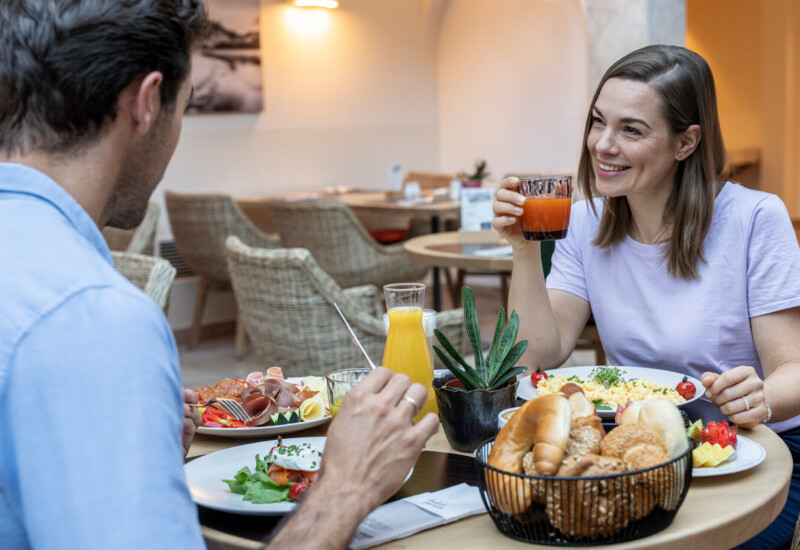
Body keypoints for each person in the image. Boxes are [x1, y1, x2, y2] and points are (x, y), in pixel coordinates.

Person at [0, 2, 438, 549]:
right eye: (183, 107)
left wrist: (141, 454)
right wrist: (346, 487)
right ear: (146, 101)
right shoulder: (94, 318)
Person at [493, 44, 800, 549]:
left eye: (630, 130)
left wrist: (760, 397)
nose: (602, 145)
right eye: (598, 122)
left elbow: (792, 369)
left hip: (743, 452)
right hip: (633, 452)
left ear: (686, 142)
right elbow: (536, 356)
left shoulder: (754, 218)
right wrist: (523, 251)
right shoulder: (586, 219)